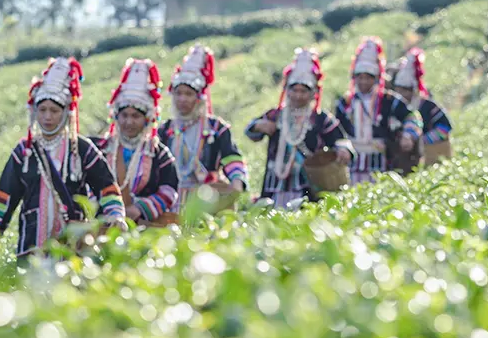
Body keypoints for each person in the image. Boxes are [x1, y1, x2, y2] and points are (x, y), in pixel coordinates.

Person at [0, 57, 127, 260]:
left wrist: (115, 215)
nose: (47, 117)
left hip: (74, 252)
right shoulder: (24, 153)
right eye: (42, 110)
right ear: (34, 112)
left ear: (66, 113)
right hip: (32, 251)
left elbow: (107, 189)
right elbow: (3, 200)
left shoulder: (82, 150)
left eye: (54, 111)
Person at [247, 48, 356, 209]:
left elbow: (340, 139)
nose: (298, 95)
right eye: (294, 90)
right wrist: (258, 126)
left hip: (307, 183)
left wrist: (343, 149)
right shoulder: (275, 115)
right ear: (287, 91)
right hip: (275, 183)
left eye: (303, 91)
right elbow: (250, 131)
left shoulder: (320, 118)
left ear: (313, 93)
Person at [157, 45, 248, 209]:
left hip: (206, 199)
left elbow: (231, 158)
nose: (182, 99)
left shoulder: (216, 129)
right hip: (170, 201)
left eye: (188, 94)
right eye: (178, 93)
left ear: (198, 98)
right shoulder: (165, 130)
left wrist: (237, 181)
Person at [90, 58, 179, 224]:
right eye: (124, 115)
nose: (129, 122)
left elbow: (169, 190)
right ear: (116, 116)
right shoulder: (99, 149)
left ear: (147, 119)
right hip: (103, 225)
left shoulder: (158, 154)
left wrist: (139, 209)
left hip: (145, 228)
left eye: (135, 116)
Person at [335, 37, 422, 185]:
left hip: (381, 162)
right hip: (352, 163)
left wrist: (408, 135)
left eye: (368, 78)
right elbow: (337, 131)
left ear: (376, 78)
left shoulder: (389, 100)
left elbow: (412, 116)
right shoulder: (345, 103)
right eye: (359, 77)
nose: (363, 82)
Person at [391, 47, 452, 154]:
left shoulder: (428, 106)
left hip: (428, 154)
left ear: (414, 90)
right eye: (398, 91)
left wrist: (421, 141)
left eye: (405, 91)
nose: (401, 95)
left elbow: (444, 128)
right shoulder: (394, 105)